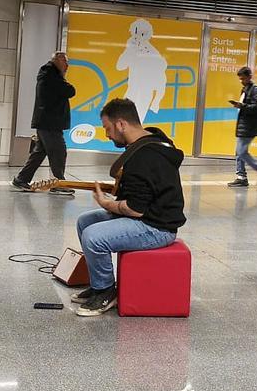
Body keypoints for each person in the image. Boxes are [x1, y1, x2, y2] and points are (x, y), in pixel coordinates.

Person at [72, 98, 185, 317]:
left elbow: (136, 209)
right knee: (85, 222)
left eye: (107, 128)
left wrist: (107, 203)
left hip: (157, 227)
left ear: (121, 124)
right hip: (149, 216)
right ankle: (99, 284)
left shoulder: (143, 157)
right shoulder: (153, 138)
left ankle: (106, 292)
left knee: (93, 237)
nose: (106, 134)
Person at [12, 52, 76, 194]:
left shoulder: (48, 74)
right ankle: (58, 183)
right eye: (65, 62)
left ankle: (21, 179)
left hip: (46, 122)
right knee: (59, 151)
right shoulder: (51, 75)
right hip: (49, 122)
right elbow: (70, 91)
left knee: (39, 152)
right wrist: (64, 80)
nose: (67, 66)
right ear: (57, 61)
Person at [228, 66, 257, 188]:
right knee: (239, 152)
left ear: (249, 77)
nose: (241, 81)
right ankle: (241, 177)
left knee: (241, 152)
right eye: (240, 79)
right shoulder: (246, 89)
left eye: (243, 78)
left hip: (250, 126)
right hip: (244, 125)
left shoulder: (255, 90)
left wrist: (242, 106)